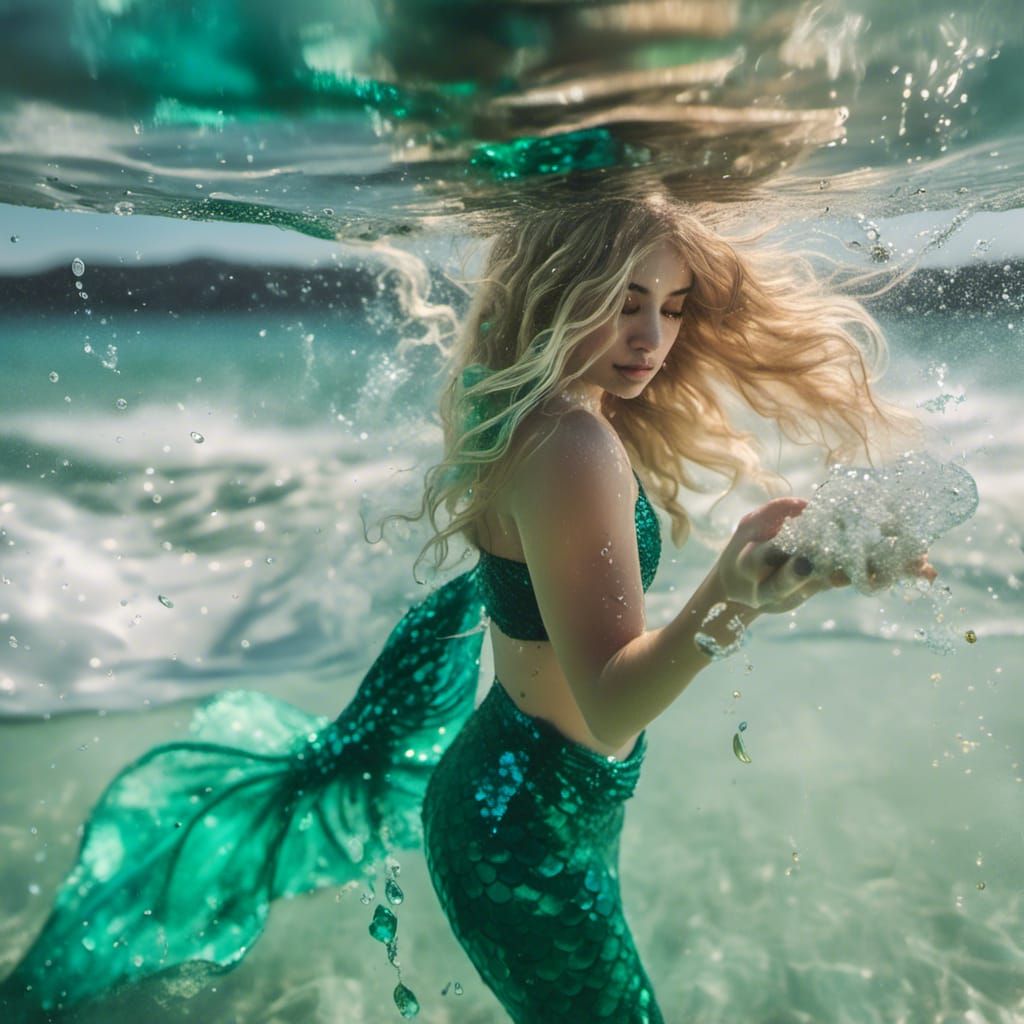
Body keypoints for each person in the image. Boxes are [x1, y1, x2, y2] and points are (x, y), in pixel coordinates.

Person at [0, 196, 932, 1023]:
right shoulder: (572, 443)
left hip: (520, 800)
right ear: (556, 289)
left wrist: (762, 581)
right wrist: (732, 596)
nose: (652, 336)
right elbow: (609, 701)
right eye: (624, 301)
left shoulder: (539, 419)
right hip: (524, 831)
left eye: (672, 307)